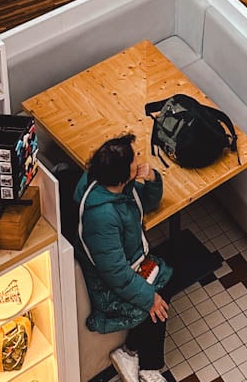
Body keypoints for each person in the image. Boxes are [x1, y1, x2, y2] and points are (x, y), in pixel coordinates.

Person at [75, 133, 171, 382]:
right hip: (108, 286)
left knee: (166, 277)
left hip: (129, 265)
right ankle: (148, 366)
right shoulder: (102, 217)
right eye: (134, 158)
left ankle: (132, 351)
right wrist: (150, 297)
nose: (139, 158)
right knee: (158, 299)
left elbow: (147, 202)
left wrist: (151, 178)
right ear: (122, 174)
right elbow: (115, 273)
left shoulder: (116, 187)